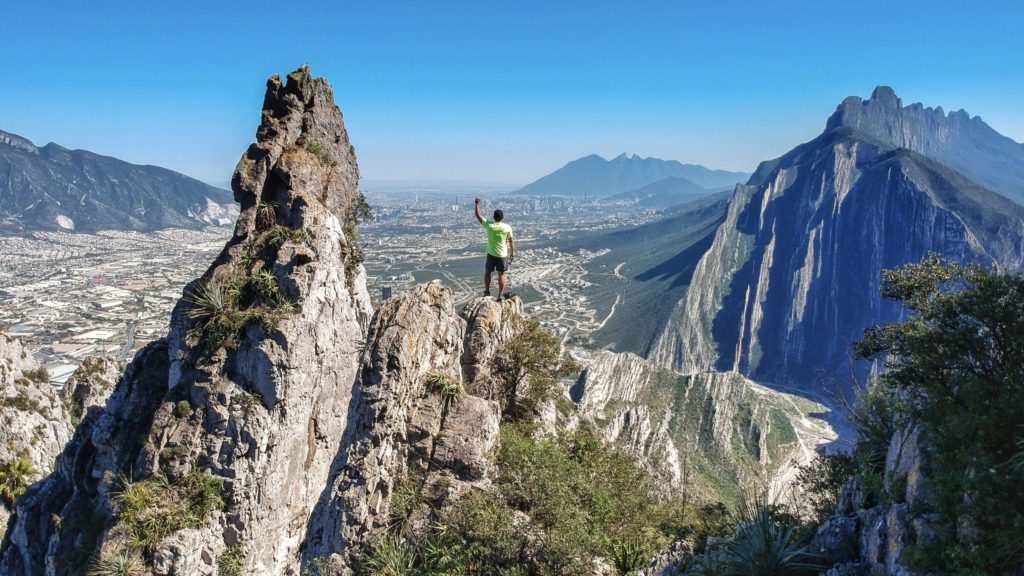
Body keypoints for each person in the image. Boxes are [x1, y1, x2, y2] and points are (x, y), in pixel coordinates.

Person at [474, 197, 515, 299]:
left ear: (493, 217)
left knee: (488, 272)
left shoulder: (490, 226)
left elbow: (478, 216)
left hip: (491, 254)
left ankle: (487, 291)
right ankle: (500, 294)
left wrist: (477, 204)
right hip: (502, 255)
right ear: (503, 217)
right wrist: (513, 253)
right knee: (501, 275)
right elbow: (511, 240)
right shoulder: (507, 227)